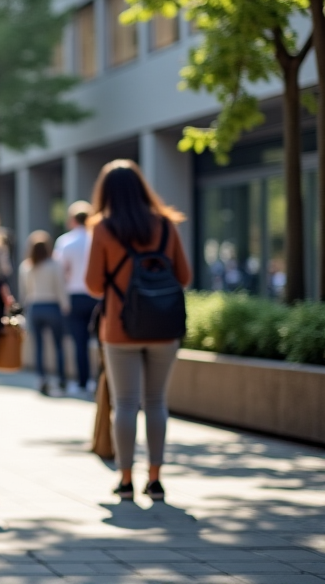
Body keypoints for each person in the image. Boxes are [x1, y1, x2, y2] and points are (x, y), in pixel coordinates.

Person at [85, 159, 191, 503]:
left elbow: (93, 284)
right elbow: (185, 277)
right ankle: (156, 479)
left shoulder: (103, 228)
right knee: (157, 401)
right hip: (164, 328)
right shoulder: (165, 224)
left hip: (119, 328)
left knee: (125, 403)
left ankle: (126, 480)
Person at [55, 200, 98, 393]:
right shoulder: (96, 238)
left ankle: (83, 381)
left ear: (73, 219)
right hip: (97, 295)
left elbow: (61, 271)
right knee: (102, 341)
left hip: (75, 296)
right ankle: (101, 382)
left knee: (79, 342)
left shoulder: (65, 242)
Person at [20, 230, 69, 395]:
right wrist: (65, 306)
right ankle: (62, 379)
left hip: (35, 307)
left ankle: (41, 378)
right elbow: (60, 287)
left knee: (39, 347)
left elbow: (24, 292)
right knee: (58, 345)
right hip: (52, 306)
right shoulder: (54, 264)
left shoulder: (26, 266)